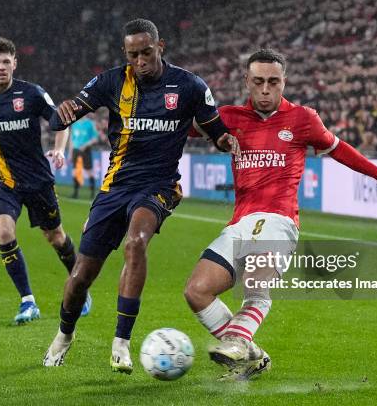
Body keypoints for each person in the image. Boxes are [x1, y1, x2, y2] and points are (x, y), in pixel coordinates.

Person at [184, 49, 377, 380]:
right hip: (239, 223)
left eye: (273, 82)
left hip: (279, 220)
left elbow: (340, 149)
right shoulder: (228, 117)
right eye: (259, 82)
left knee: (255, 280)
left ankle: (237, 341)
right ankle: (252, 354)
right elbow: (180, 125)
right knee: (196, 291)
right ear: (246, 81)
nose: (266, 89)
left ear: (284, 82)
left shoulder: (303, 119)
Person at [42, 19, 238, 372]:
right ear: (125, 54)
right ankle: (64, 334)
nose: (140, 60)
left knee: (136, 242)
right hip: (115, 187)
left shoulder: (189, 85)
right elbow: (59, 120)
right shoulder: (111, 81)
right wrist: (64, 110)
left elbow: (216, 131)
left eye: (147, 52)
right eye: (133, 55)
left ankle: (121, 342)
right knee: (81, 277)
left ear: (160, 46)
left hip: (159, 186)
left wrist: (225, 141)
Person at [0, 37, 92, 325]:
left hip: (38, 181)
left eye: (7, 61)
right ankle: (27, 301)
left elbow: (60, 120)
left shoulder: (31, 94)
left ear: (15, 63)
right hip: (4, 181)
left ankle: (80, 288)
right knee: (4, 233)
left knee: (55, 237)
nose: (2, 67)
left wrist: (58, 148)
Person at [69, 114, 99, 199]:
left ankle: (93, 193)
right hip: (76, 150)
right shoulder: (74, 124)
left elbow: (95, 138)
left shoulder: (90, 123)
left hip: (86, 150)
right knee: (75, 171)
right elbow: (72, 139)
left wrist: (86, 145)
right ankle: (75, 193)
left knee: (89, 171)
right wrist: (70, 153)